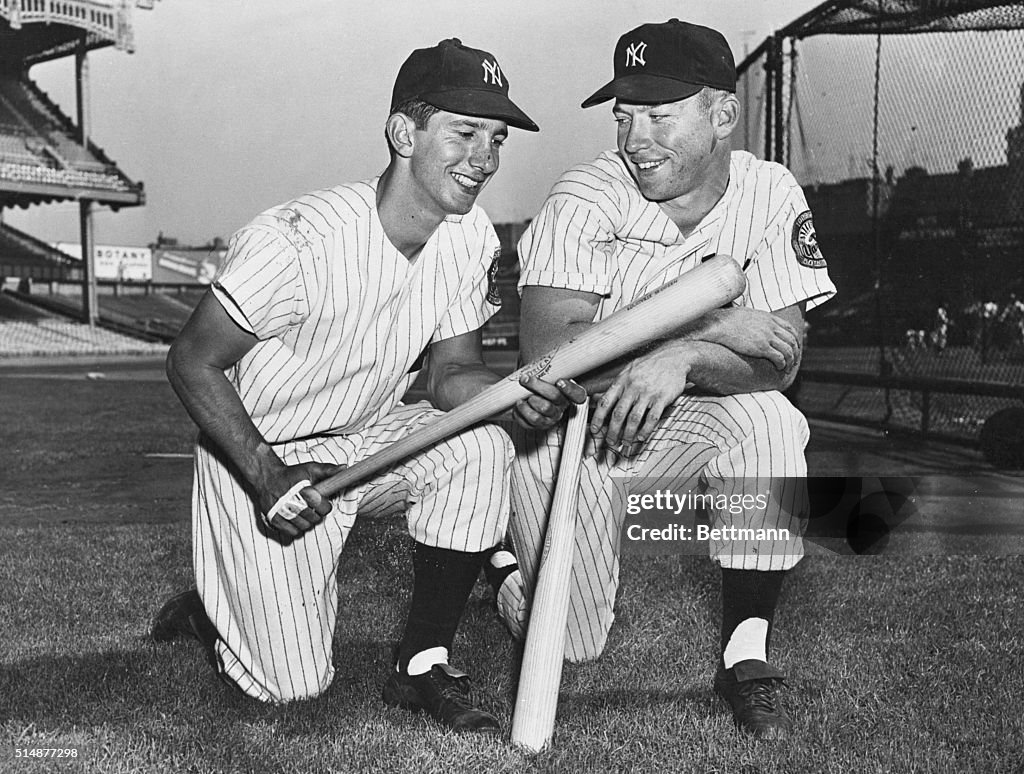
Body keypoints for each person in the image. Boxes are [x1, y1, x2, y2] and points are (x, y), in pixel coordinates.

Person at [149, 38, 584, 735]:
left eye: (497, 138)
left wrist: (517, 392)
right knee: (289, 688)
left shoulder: (468, 235)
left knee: (479, 447)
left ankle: (422, 662)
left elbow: (447, 375)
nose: (486, 159)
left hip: (370, 437)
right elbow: (190, 361)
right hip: (265, 456)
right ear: (403, 133)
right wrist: (264, 473)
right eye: (465, 132)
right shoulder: (299, 238)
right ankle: (212, 608)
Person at [493, 19, 836, 739]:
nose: (635, 138)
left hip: (679, 418)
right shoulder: (586, 195)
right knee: (575, 642)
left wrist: (680, 358)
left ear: (722, 116)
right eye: (624, 115)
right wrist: (706, 330)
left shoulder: (770, 192)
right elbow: (552, 362)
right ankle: (505, 573)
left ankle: (746, 655)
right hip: (573, 436)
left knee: (772, 423)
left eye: (659, 114)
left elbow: (782, 358)